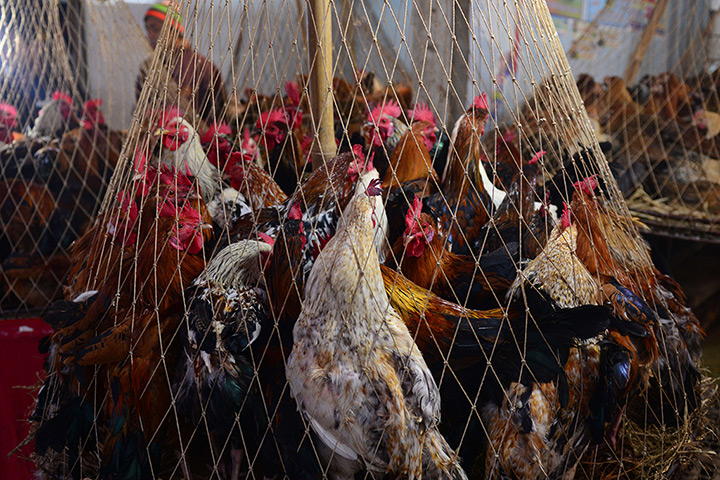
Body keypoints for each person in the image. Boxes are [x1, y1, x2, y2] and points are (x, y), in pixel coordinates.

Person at [136, 1, 227, 123]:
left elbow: (218, 116)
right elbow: (142, 110)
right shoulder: (148, 67)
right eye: (147, 29)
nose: (150, 35)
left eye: (156, 29)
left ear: (175, 30)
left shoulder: (203, 68)